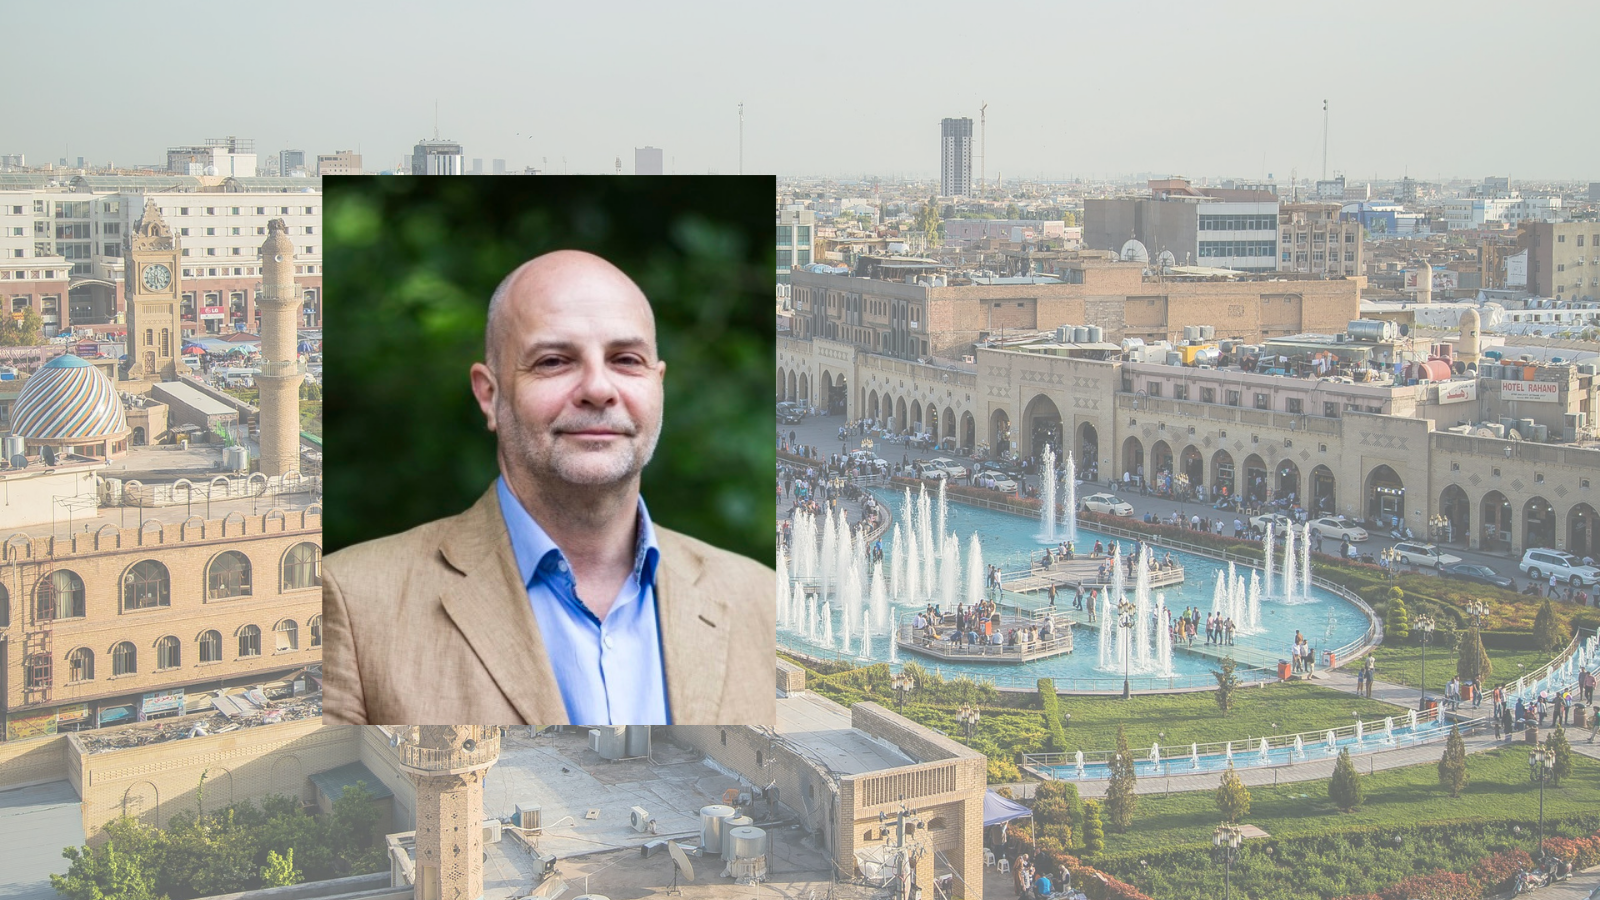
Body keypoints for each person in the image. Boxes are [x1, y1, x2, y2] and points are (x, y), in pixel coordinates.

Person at [323, 251, 775, 726]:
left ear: (657, 385)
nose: (598, 389)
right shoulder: (354, 604)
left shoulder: (766, 603)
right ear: (490, 395)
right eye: (555, 361)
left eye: (626, 360)